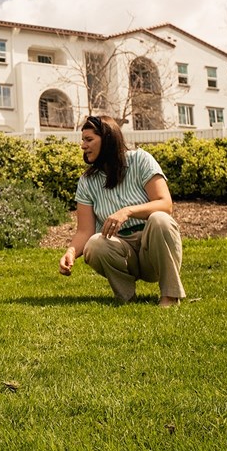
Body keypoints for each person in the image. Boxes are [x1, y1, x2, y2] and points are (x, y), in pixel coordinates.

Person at [58, 115, 185, 307]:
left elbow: (165, 204)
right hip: (121, 250)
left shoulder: (141, 160)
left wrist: (128, 211)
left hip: (152, 248)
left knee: (160, 219)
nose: (83, 146)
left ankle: (170, 296)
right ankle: (126, 297)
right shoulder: (86, 182)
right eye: (83, 140)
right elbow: (85, 231)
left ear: (108, 139)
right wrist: (71, 251)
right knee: (94, 243)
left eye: (89, 139)